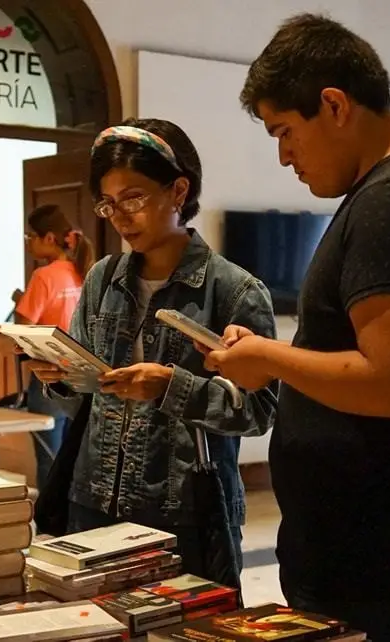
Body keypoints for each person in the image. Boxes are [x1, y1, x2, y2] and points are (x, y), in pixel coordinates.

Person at [202, 13, 390, 642]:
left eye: (285, 132)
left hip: (386, 556)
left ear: (333, 105)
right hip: (376, 548)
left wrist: (271, 358)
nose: (283, 157)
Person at [23, 118, 278, 575]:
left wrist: (170, 387)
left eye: (134, 198)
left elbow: (258, 411)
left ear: (179, 191)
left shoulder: (233, 291)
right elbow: (85, 402)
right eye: (108, 204)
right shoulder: (103, 277)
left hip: (183, 514)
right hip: (93, 503)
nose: (121, 216)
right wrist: (63, 375)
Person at [14, 204, 95, 490]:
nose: (28, 244)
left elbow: (23, 329)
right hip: (83, 375)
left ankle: (51, 524)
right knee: (78, 456)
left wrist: (18, 302)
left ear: (48, 238)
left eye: (30, 237)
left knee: (50, 456)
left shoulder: (44, 276)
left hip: (49, 376)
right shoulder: (85, 271)